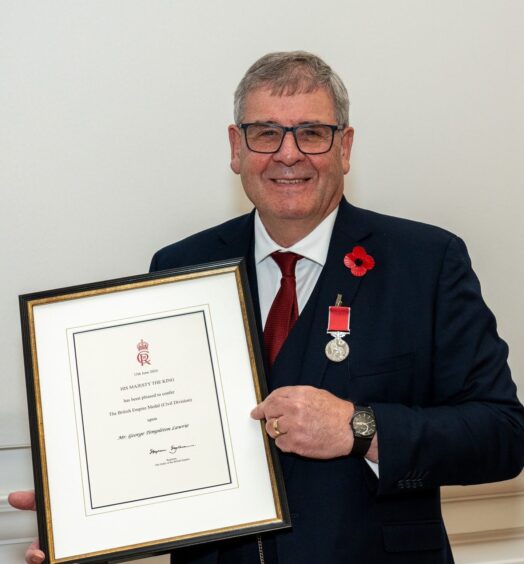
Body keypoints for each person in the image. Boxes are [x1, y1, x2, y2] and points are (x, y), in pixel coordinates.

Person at [10, 51, 524, 564]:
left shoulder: (426, 263)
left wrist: (359, 427)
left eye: (312, 133)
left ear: (344, 147)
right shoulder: (181, 265)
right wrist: (82, 513)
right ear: (236, 148)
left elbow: (502, 434)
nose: (288, 154)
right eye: (265, 133)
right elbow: (157, 425)